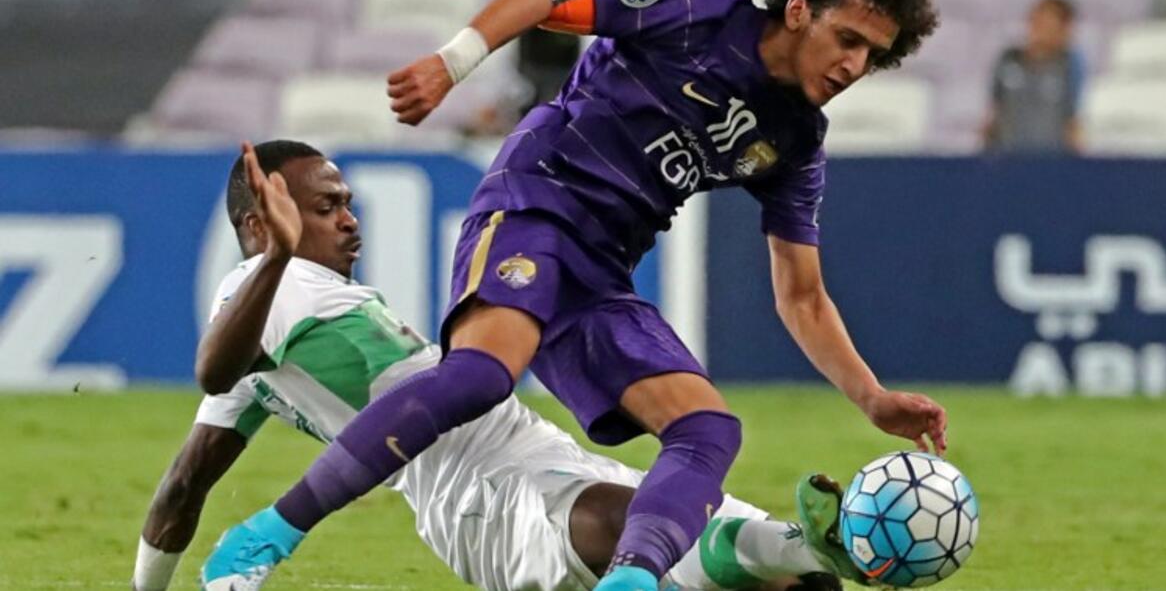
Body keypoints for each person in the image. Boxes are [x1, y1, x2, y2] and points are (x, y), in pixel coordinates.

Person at [205, 0, 948, 589]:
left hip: (601, 273)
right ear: (798, 10)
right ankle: (265, 535)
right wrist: (450, 63)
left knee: (710, 429)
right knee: (480, 376)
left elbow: (803, 295)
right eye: (847, 39)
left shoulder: (797, 141)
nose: (854, 67)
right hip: (534, 201)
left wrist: (872, 396)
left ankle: (629, 581)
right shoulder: (702, 15)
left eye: (873, 56)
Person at [134, 140, 858, 591]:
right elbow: (213, 369)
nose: (349, 218)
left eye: (348, 203)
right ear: (263, 222)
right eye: (327, 207)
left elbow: (183, 484)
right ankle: (807, 541)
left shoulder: (286, 315)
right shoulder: (270, 283)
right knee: (635, 529)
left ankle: (801, 547)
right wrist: (280, 255)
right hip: (474, 493)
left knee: (787, 576)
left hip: (537, 449)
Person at [982, 0, 1086, 154]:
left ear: (1064, 29)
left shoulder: (1069, 66)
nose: (1039, 29)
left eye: (1048, 24)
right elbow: (994, 113)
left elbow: (1073, 121)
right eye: (1037, 21)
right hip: (1008, 161)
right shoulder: (1008, 60)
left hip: (1051, 165)